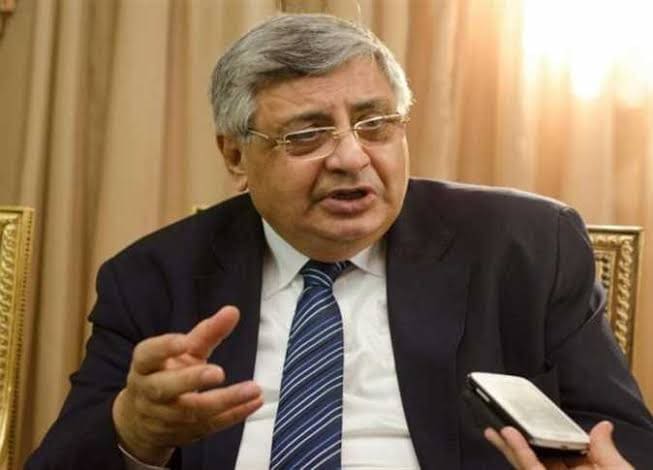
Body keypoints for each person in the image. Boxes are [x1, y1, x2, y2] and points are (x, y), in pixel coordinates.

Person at [27, 13, 653, 470]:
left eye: (376, 124)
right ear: (235, 155)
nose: (352, 158)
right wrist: (135, 430)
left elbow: (626, 437)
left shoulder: (526, 248)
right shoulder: (153, 277)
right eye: (306, 135)